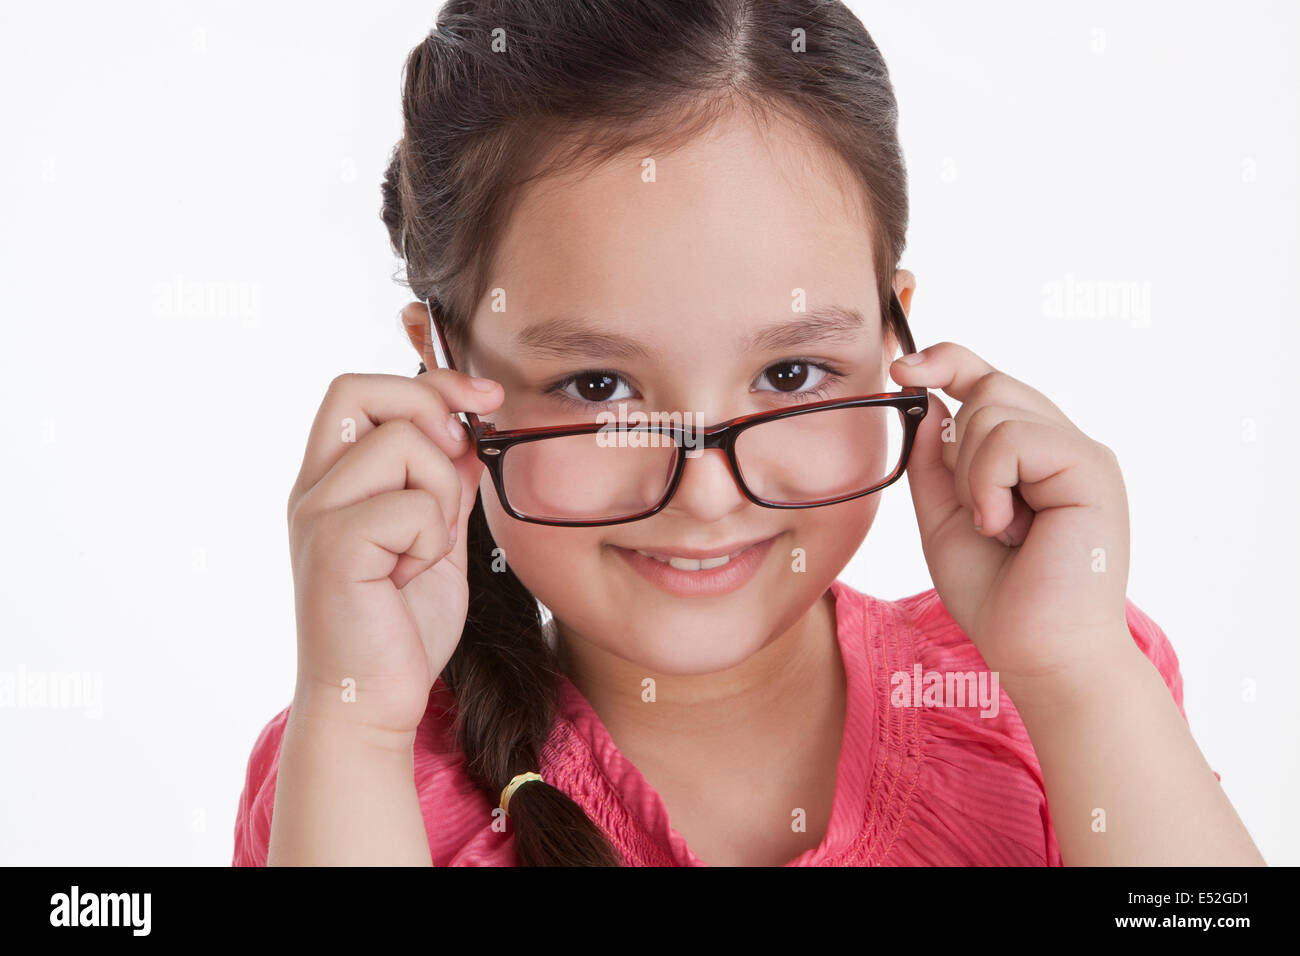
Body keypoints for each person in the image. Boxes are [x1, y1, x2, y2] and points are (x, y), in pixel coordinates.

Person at [233, 0, 1263, 866]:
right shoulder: (359, 768)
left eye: (789, 372)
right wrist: (357, 721)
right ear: (443, 372)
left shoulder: (1057, 685)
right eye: (598, 384)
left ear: (894, 330)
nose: (707, 496)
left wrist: (1075, 671)